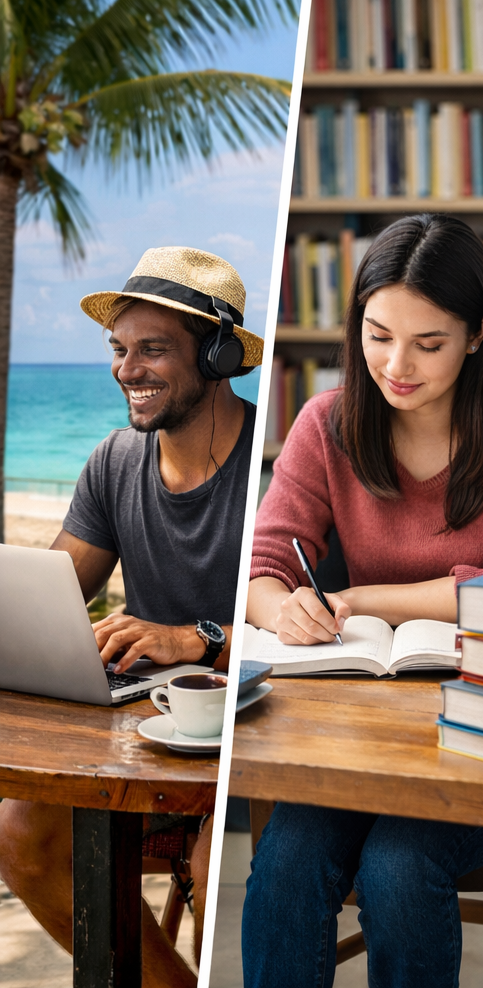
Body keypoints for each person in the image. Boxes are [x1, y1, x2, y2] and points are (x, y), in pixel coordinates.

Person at [240, 215, 483, 988]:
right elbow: (261, 568)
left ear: (479, 333)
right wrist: (280, 608)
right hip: (358, 726)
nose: (397, 365)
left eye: (429, 343)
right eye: (378, 335)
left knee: (397, 866)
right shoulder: (326, 422)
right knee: (287, 861)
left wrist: (353, 597)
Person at [0, 246, 261, 988]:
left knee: (215, 873)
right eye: (119, 350)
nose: (126, 370)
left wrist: (190, 641)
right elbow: (49, 592)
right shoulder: (115, 461)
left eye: (153, 350)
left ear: (216, 354)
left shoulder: (276, 462)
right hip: (145, 731)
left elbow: (315, 639)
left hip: (256, 726)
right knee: (21, 834)